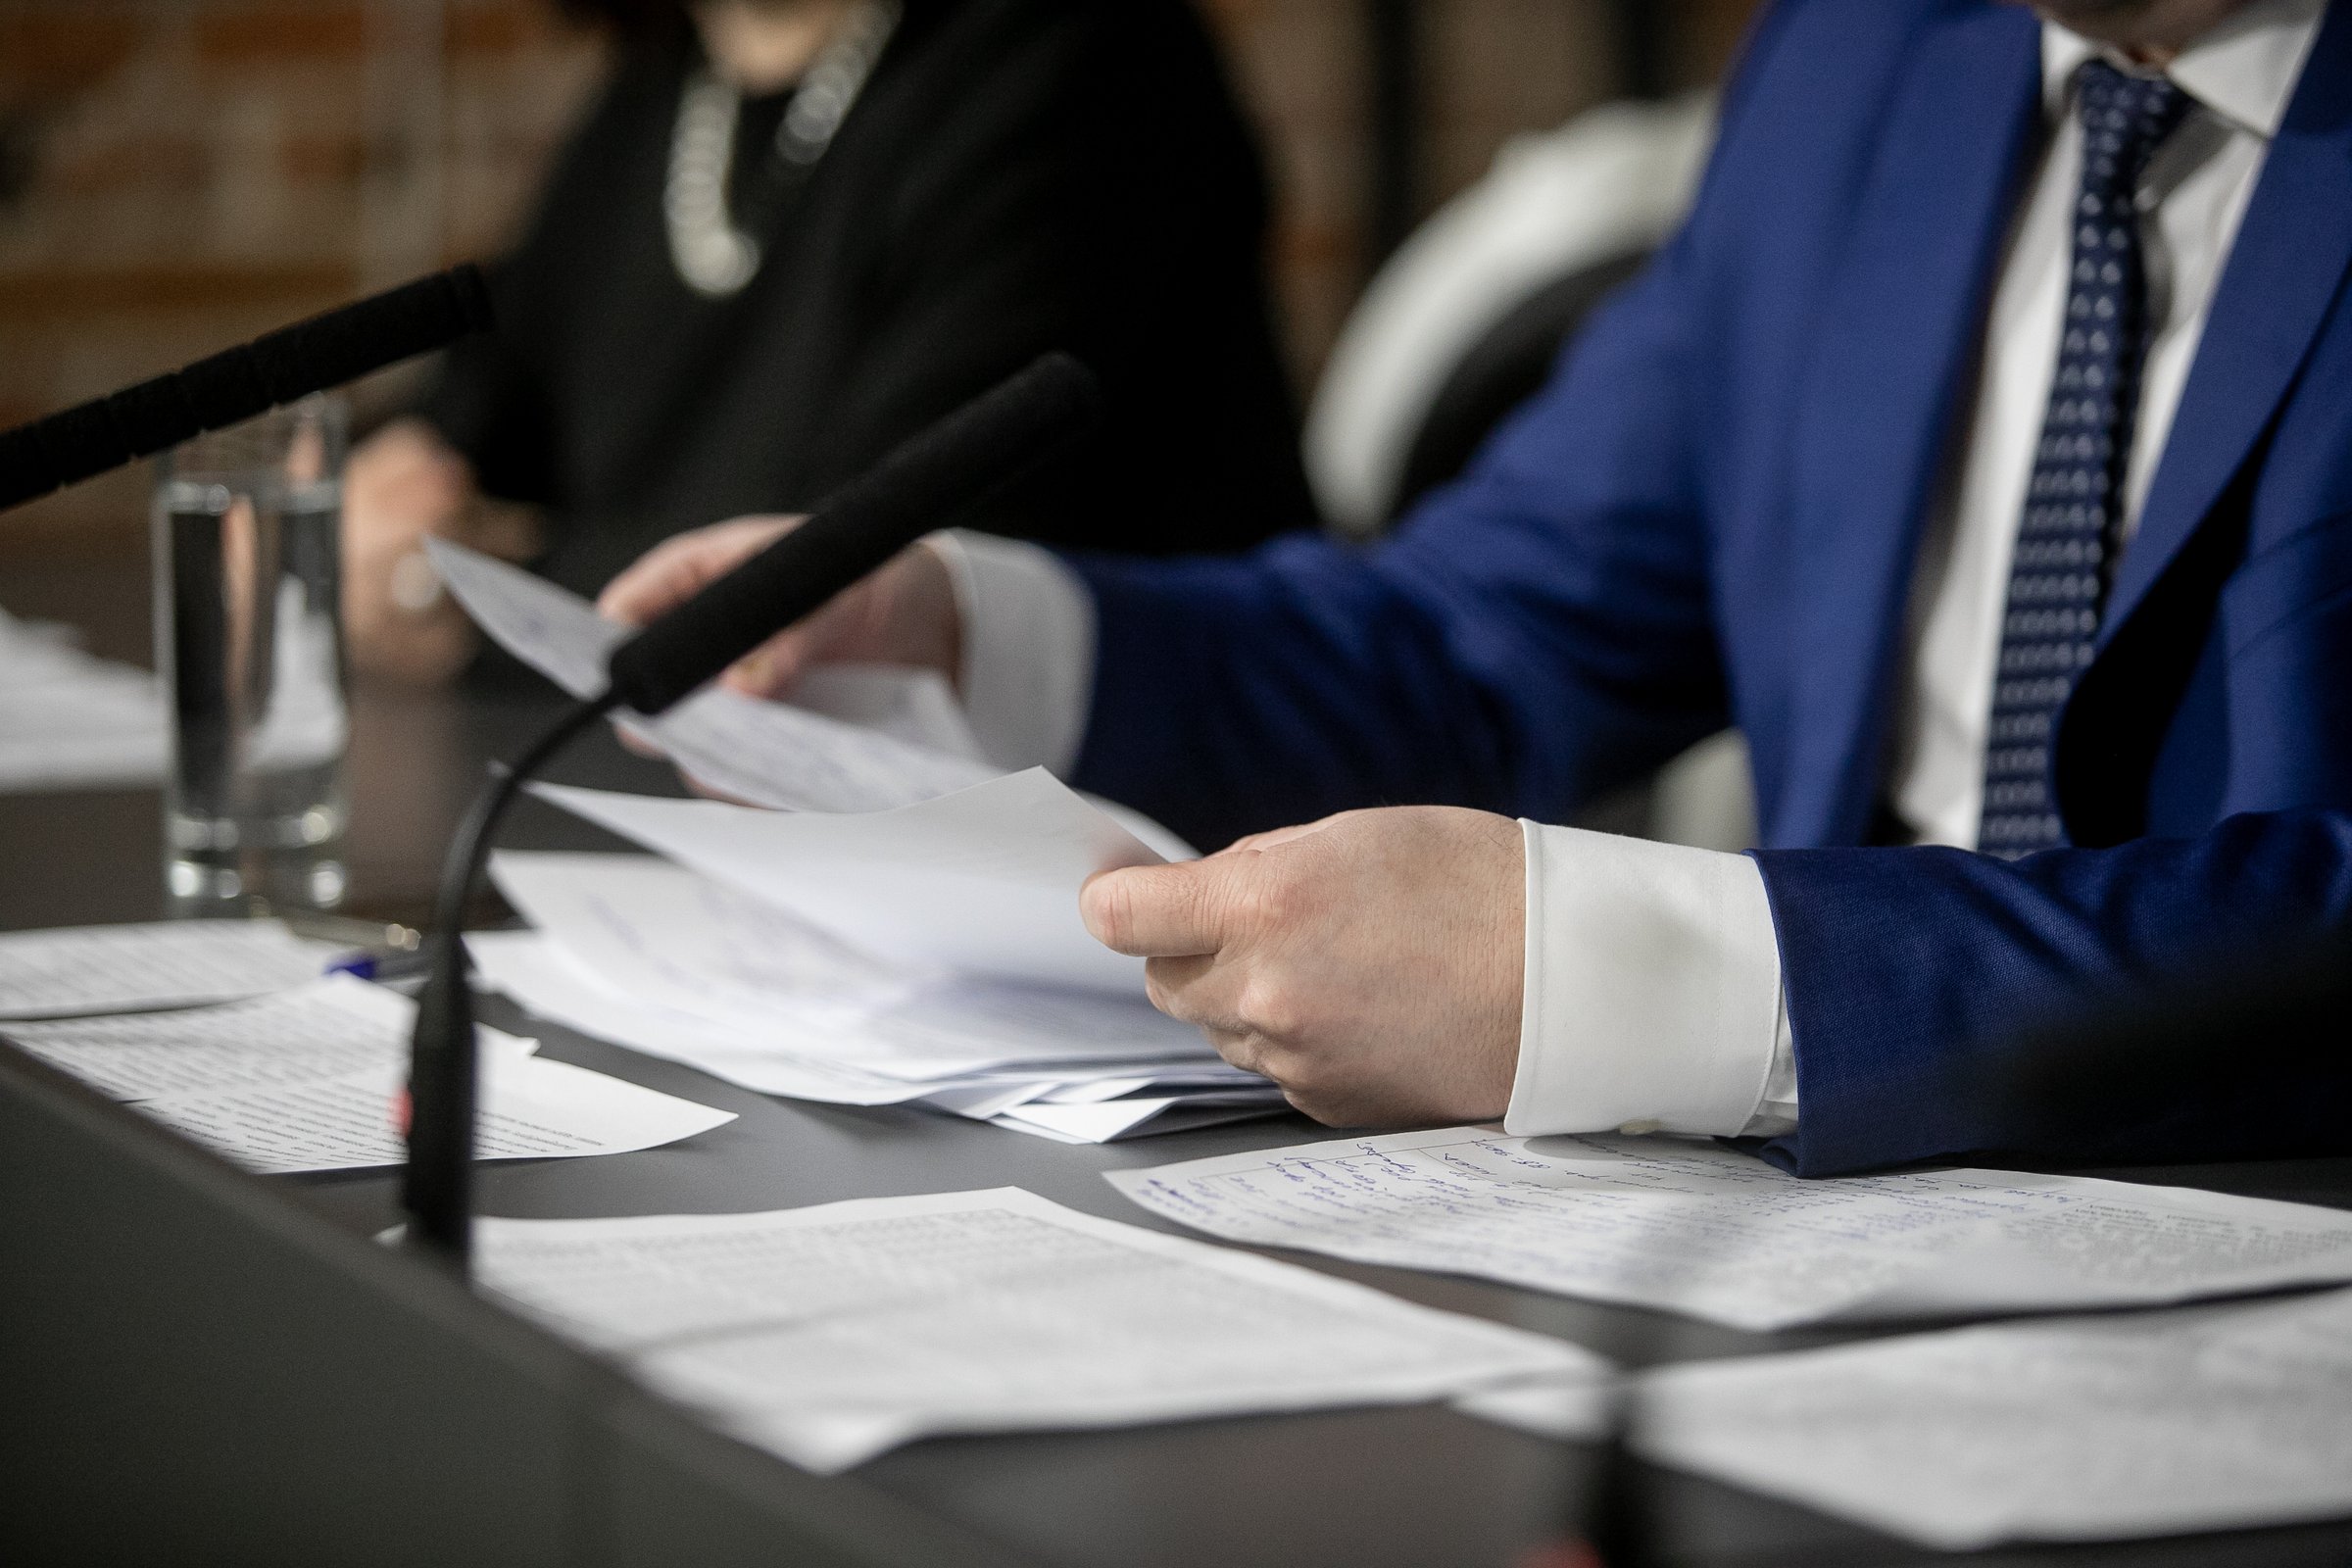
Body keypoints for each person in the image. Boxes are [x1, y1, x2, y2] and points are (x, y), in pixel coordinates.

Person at [601, 0, 2352, 1176]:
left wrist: (1644, 972)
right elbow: (1473, 639)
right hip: (1823, 1263)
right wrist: (972, 633)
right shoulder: (1873, 55)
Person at [343, 0, 1314, 683]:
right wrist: (370, 511)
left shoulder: (1077, 58)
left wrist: (481, 579)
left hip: (1080, 848)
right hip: (708, 819)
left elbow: (849, 565)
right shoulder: (655, 98)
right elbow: (470, 422)